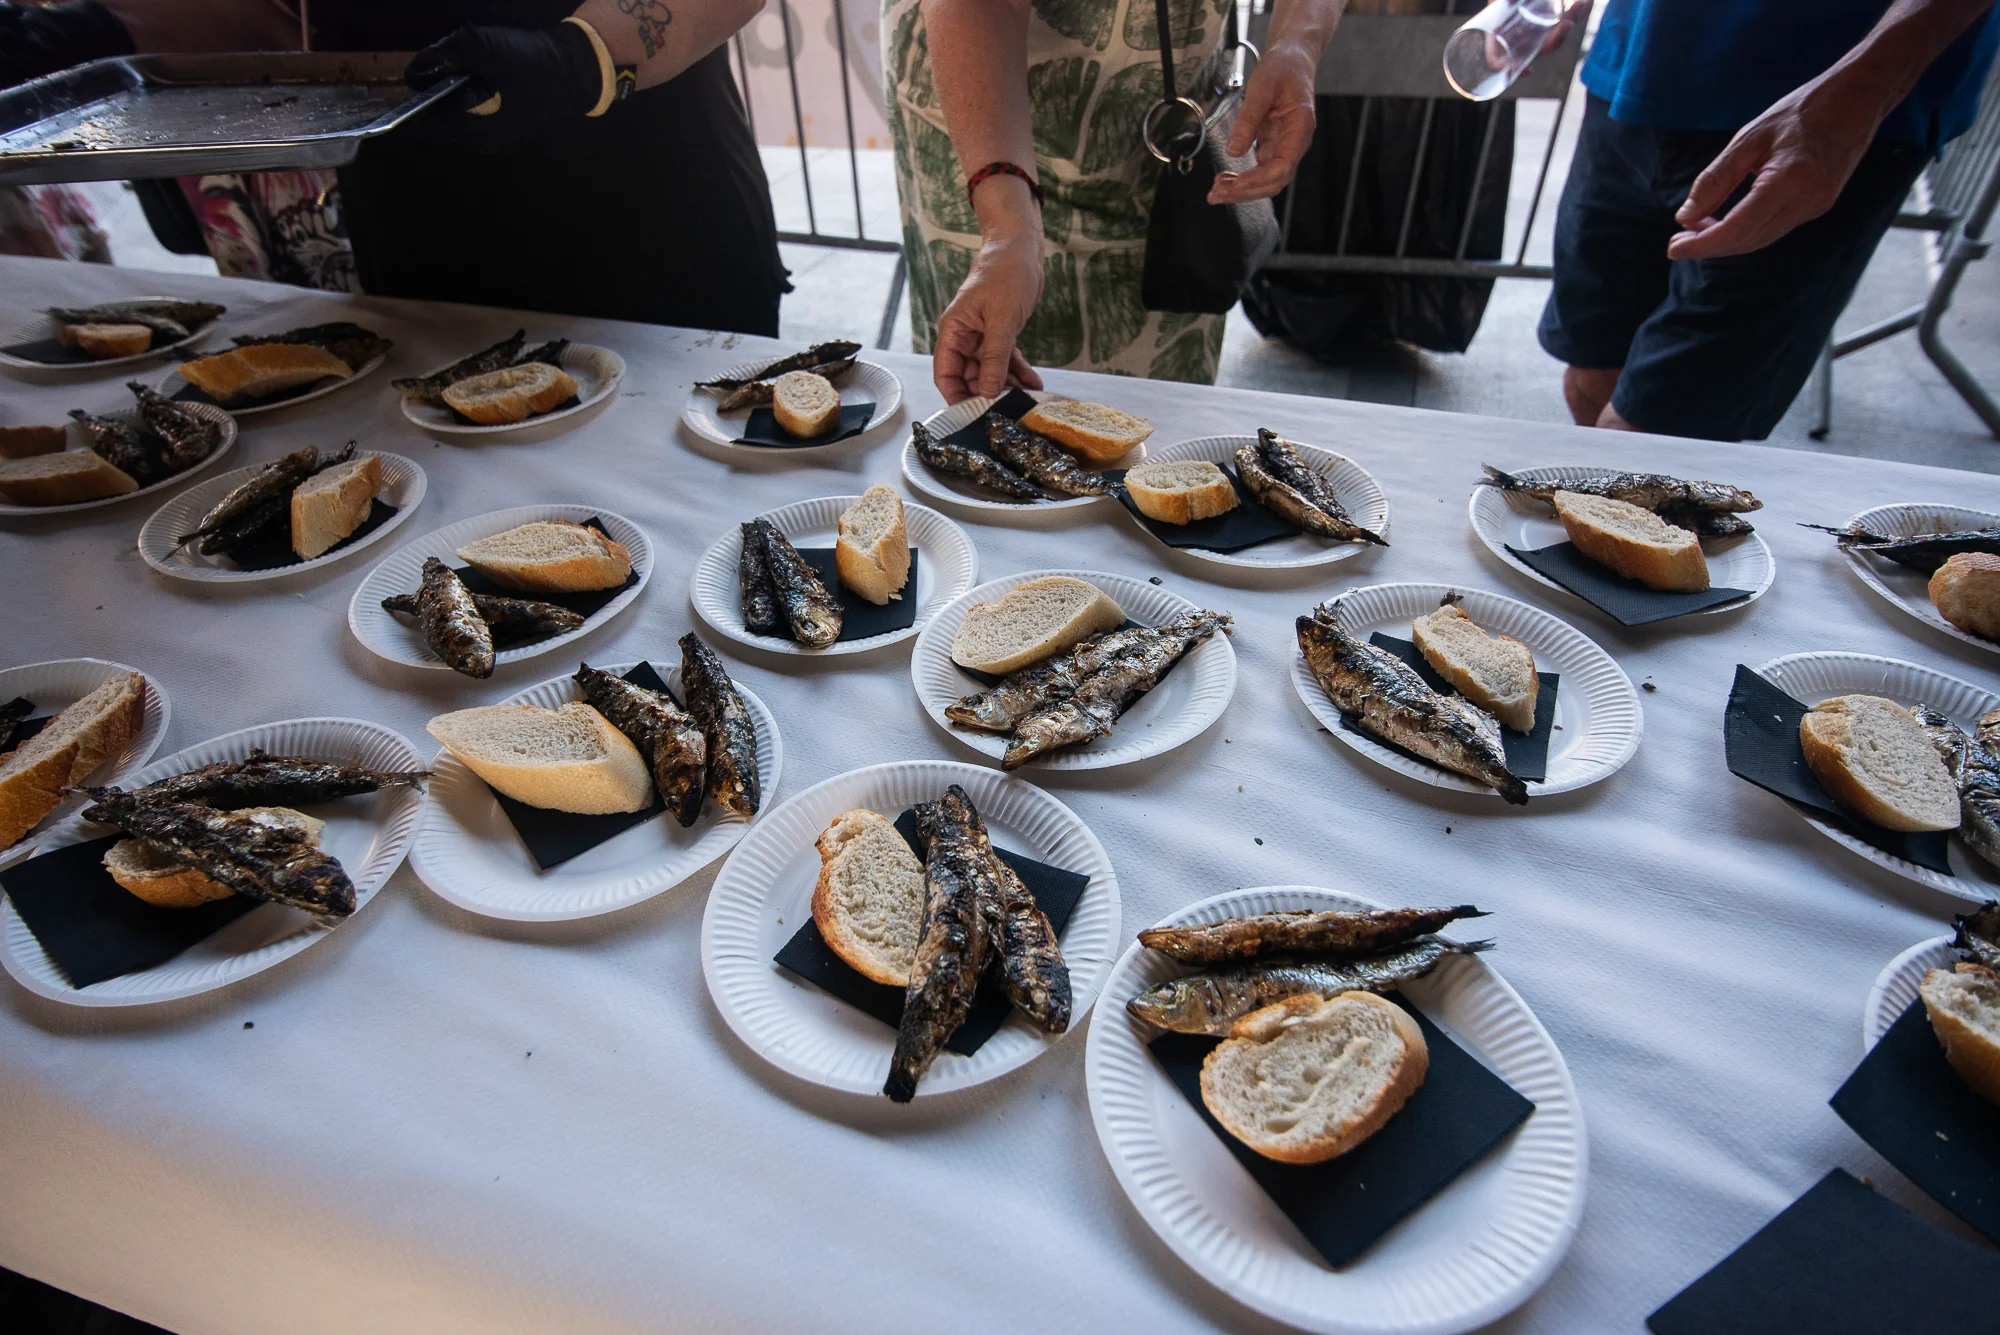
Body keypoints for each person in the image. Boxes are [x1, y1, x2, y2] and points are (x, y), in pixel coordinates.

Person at [0, 0, 787, 335]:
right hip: (416, 228)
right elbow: (280, 13)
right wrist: (96, 33)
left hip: (644, 213)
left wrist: (585, 55)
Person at [1540, 0, 2000, 441]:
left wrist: (1863, 89)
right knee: (1592, 367)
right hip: (1632, 62)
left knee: (1656, 427)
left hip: (1824, 102)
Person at [888, 0, 1347, 403]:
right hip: (994, 133)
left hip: (1179, 127)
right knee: (991, 412)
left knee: (1161, 424)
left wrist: (1297, 45)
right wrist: (1008, 231)